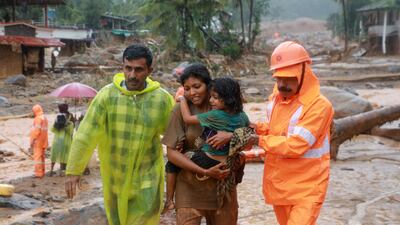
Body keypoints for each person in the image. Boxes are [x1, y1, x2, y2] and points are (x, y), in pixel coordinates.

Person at [64, 44, 174, 225]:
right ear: (122, 67)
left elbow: (176, 134)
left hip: (148, 179)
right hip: (115, 178)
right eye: (128, 68)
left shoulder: (161, 99)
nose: (132, 75)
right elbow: (86, 133)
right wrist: (74, 170)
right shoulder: (107, 96)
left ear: (149, 70)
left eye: (139, 70)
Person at [248, 41, 334, 225]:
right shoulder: (276, 98)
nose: (281, 84)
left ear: (303, 73)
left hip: (307, 188)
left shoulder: (319, 106)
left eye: (288, 79)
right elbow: (278, 130)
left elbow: (296, 145)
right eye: (278, 78)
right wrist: (256, 127)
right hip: (280, 184)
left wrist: (258, 139)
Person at [162, 63, 239, 225]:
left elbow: (250, 135)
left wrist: (230, 136)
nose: (192, 93)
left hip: (222, 188)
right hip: (189, 187)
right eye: (187, 88)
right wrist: (204, 170)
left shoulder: (225, 107)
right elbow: (172, 153)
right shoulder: (180, 110)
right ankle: (169, 200)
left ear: (209, 85)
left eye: (197, 86)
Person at [30, 104, 49, 178]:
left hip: (38, 141)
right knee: (42, 157)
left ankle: (38, 173)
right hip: (44, 141)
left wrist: (32, 140)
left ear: (35, 110)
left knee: (37, 158)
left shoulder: (37, 118)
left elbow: (36, 131)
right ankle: (42, 172)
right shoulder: (44, 118)